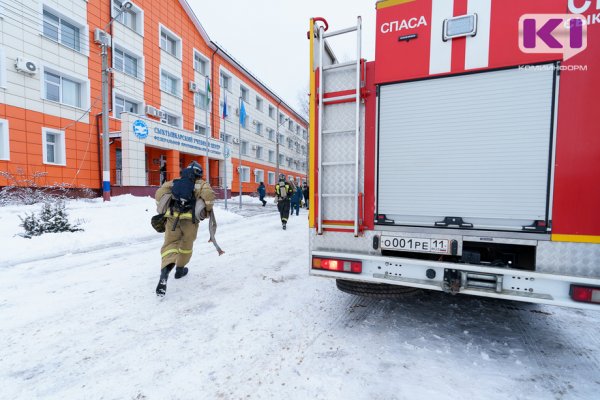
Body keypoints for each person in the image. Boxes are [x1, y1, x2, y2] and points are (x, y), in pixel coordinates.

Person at [154, 161, 215, 297]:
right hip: (190, 221)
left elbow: (159, 193)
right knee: (186, 246)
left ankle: (164, 274)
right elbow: (209, 196)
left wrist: (161, 207)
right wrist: (208, 210)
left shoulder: (174, 182)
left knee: (170, 245)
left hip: (172, 219)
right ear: (199, 173)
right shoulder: (200, 184)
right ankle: (180, 270)